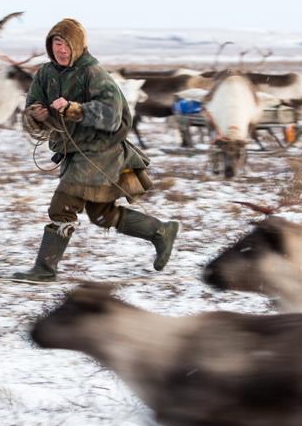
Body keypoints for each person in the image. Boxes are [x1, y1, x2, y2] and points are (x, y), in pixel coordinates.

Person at [11, 18, 179, 283]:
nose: (61, 49)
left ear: (77, 46)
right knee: (103, 215)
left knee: (62, 206)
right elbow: (32, 107)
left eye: (66, 44)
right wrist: (36, 113)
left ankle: (45, 269)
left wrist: (75, 109)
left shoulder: (93, 73)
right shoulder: (45, 74)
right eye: (56, 43)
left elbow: (113, 116)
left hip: (100, 151)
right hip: (73, 152)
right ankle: (161, 232)